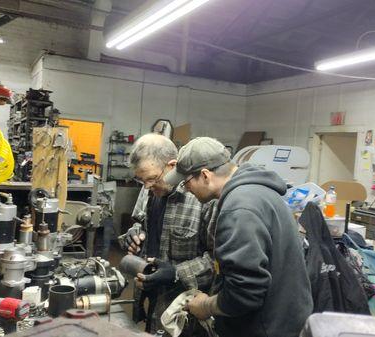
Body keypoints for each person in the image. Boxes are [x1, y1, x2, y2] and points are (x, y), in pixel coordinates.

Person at [164, 137, 313, 337]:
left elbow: (246, 292)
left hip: (265, 328)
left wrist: (206, 305)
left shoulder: (238, 208)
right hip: (286, 320)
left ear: (205, 175)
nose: (185, 188)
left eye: (187, 182)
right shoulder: (259, 191)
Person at [119, 133, 215, 336]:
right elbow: (140, 223)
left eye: (152, 179)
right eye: (141, 180)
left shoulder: (203, 198)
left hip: (183, 308)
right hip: (152, 295)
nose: (146, 187)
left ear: (172, 166)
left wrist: (175, 273)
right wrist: (133, 233)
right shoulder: (149, 187)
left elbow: (217, 261)